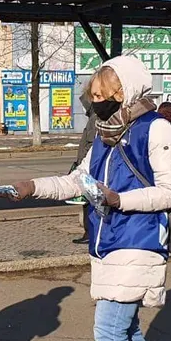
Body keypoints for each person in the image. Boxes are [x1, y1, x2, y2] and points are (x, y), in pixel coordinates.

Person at [7, 55, 171, 341]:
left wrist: (119, 199)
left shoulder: (156, 130)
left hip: (139, 242)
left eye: (107, 94)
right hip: (107, 242)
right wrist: (33, 186)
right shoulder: (106, 134)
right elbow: (79, 182)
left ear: (130, 90)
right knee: (126, 328)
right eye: (95, 94)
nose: (99, 101)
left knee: (109, 328)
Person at [72, 94, 98, 244]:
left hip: (89, 169)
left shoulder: (95, 120)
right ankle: (89, 232)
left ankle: (90, 233)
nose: (82, 108)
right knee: (87, 202)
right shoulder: (92, 118)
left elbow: (92, 146)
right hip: (85, 167)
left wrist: (83, 164)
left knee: (89, 202)